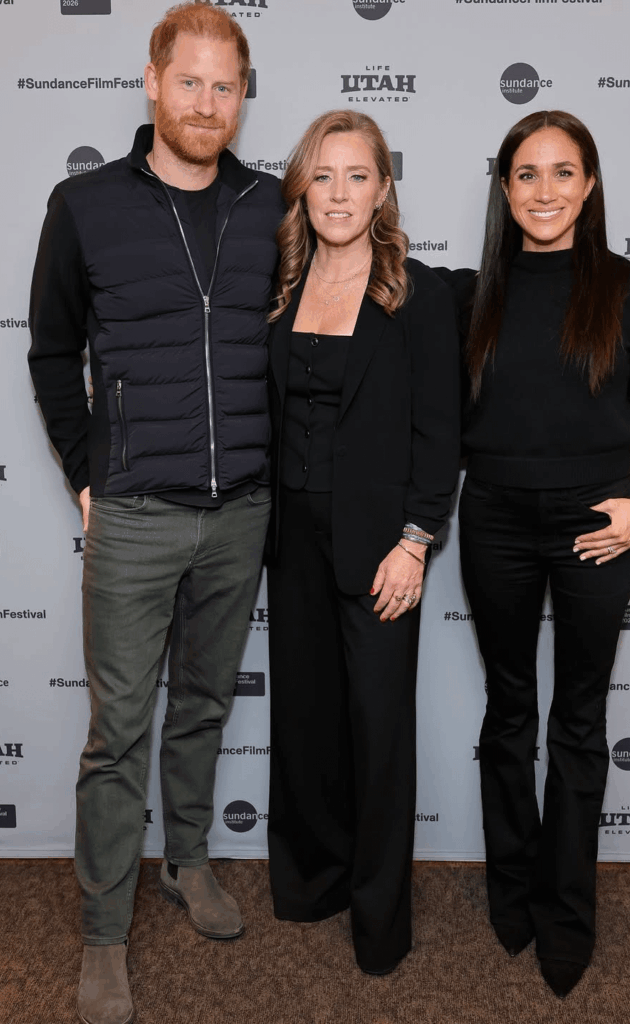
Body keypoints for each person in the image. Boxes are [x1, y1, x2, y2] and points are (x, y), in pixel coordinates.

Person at [28, 4, 284, 1022]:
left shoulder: (273, 203)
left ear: (241, 95)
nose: (208, 103)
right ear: (151, 81)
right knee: (118, 729)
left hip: (242, 511)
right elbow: (53, 351)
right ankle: (102, 929)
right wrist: (86, 469)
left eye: (226, 86)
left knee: (206, 705)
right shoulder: (84, 203)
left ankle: (185, 858)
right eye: (191, 82)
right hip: (133, 512)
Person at [443, 110, 630, 997]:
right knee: (508, 713)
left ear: (590, 184)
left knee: (577, 723)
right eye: (526, 174)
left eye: (562, 172)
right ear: (504, 189)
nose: (544, 191)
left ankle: (565, 915)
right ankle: (512, 892)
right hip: (494, 516)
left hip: (599, 523)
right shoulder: (469, 298)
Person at [265, 110, 460, 975]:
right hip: (289, 542)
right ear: (301, 189)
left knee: (378, 733)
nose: (338, 194)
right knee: (306, 723)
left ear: (382, 189)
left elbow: (439, 434)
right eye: (322, 176)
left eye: (357, 176)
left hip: (380, 545)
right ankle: (313, 885)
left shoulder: (417, 295)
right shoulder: (278, 286)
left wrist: (415, 541)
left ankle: (380, 923)